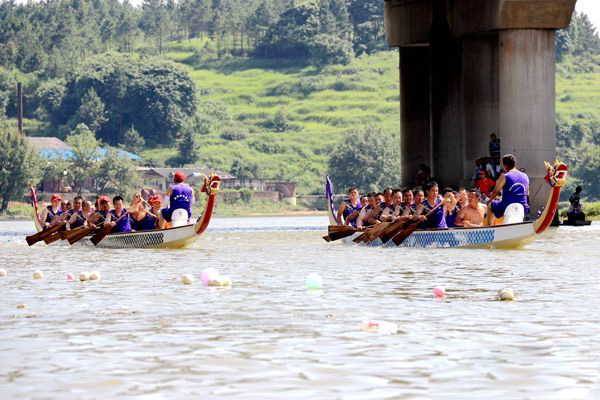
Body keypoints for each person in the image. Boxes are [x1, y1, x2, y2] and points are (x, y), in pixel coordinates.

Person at [487, 154, 530, 225]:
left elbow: (496, 191)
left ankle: (490, 229)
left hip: (507, 205)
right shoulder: (525, 176)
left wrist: (490, 200)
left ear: (505, 165)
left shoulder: (504, 176)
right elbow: (527, 193)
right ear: (515, 163)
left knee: (490, 205)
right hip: (523, 206)